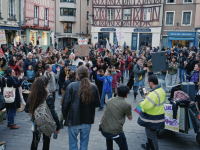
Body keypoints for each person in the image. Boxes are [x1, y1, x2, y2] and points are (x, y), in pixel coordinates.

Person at [62, 66, 100, 150]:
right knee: (84, 145)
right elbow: (97, 104)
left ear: (77, 75)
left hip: (73, 119)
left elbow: (65, 105)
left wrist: (65, 117)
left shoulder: (71, 86)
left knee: (73, 145)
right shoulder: (93, 87)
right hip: (87, 120)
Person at [25, 76, 60, 150]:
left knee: (35, 141)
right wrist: (58, 125)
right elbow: (53, 112)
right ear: (47, 85)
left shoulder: (32, 95)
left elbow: (26, 109)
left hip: (35, 122)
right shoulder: (48, 96)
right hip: (47, 122)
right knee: (46, 142)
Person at [99, 85, 132, 150]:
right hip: (115, 132)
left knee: (109, 144)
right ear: (126, 95)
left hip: (104, 130)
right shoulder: (127, 104)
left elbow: (104, 114)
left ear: (117, 93)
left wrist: (100, 125)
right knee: (124, 147)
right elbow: (130, 118)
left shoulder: (110, 100)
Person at [138, 75, 166, 150]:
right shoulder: (161, 90)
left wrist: (143, 99)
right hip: (158, 116)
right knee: (150, 134)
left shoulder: (153, 94)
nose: (148, 85)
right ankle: (148, 145)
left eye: (148, 83)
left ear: (151, 83)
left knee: (152, 136)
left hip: (152, 118)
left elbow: (144, 106)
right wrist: (148, 95)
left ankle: (154, 148)